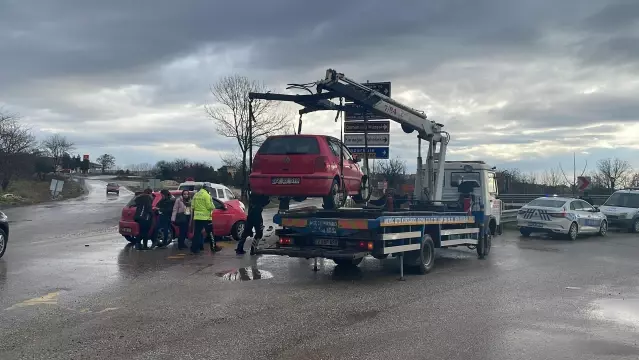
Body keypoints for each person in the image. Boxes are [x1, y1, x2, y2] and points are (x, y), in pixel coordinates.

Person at [190, 184, 213, 254]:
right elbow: (209, 206)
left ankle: (194, 248)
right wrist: (213, 206)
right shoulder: (207, 195)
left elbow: (192, 206)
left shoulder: (196, 195)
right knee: (211, 232)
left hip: (197, 217)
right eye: (209, 188)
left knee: (197, 233)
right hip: (206, 217)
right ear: (207, 188)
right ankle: (213, 247)